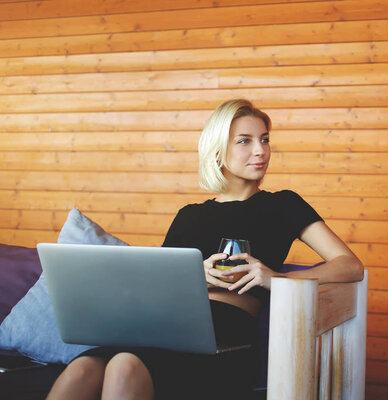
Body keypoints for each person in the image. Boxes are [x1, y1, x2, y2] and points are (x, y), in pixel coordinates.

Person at [46, 99, 364, 400]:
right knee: (81, 369)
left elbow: (349, 265)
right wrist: (192, 276)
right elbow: (156, 286)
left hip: (224, 338)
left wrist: (276, 278)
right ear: (218, 149)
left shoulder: (283, 205)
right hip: (165, 326)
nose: (260, 150)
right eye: (245, 141)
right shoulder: (190, 214)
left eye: (264, 140)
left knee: (123, 365)